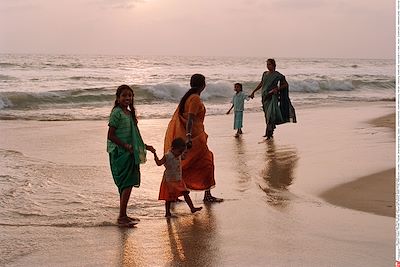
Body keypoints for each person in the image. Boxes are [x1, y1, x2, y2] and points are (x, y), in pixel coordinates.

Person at [164, 73, 223, 203]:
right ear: (203, 85)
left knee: (185, 165)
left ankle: (172, 194)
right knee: (206, 163)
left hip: (192, 137)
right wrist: (189, 136)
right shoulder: (195, 99)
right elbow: (190, 118)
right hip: (194, 139)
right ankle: (206, 196)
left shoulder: (187, 98)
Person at [107, 84, 154, 227]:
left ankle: (123, 215)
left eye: (130, 95)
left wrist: (144, 146)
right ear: (118, 98)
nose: (127, 98)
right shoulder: (117, 113)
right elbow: (111, 135)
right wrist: (126, 146)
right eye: (124, 95)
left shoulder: (129, 113)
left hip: (131, 152)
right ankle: (122, 216)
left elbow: (134, 136)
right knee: (126, 183)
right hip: (120, 152)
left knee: (128, 183)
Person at [150, 137, 203, 217]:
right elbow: (159, 163)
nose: (180, 153)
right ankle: (167, 213)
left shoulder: (178, 154)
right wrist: (154, 154)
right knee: (168, 198)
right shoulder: (167, 156)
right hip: (169, 180)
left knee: (185, 193)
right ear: (173, 148)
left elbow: (183, 157)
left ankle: (192, 208)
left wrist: (186, 150)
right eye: (180, 151)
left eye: (182, 151)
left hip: (178, 179)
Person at [249, 58, 296, 139]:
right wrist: (253, 91)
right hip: (264, 96)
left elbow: (285, 85)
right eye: (267, 64)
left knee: (271, 114)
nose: (268, 66)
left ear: (274, 65)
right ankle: (268, 131)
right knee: (267, 115)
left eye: (269, 64)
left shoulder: (278, 75)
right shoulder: (265, 73)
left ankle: (269, 134)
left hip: (272, 97)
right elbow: (261, 83)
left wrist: (277, 89)